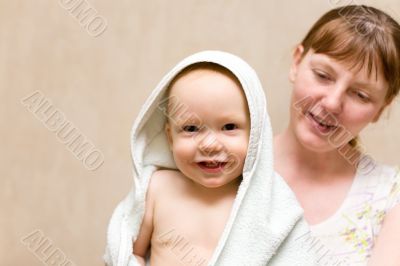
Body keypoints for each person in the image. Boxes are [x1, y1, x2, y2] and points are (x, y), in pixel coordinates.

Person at [104, 51, 317, 266]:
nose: (210, 145)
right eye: (191, 128)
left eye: (229, 127)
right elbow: (127, 252)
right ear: (170, 136)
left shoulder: (266, 200)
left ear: (254, 135)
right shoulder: (157, 188)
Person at [274, 5, 400, 266]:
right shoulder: (224, 166)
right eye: (323, 76)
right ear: (297, 62)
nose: (332, 103)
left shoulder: (390, 197)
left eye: (361, 95)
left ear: (381, 109)